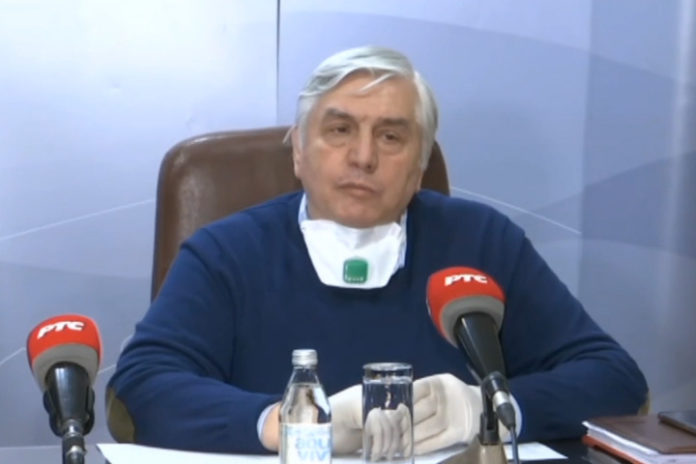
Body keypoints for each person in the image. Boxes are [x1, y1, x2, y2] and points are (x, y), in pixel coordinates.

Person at [106, 45, 648, 455]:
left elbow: (614, 379)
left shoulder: (481, 242)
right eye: (339, 130)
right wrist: (289, 423)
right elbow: (142, 387)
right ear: (299, 151)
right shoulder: (226, 251)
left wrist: (489, 408)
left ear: (420, 163)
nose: (363, 157)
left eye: (391, 137)